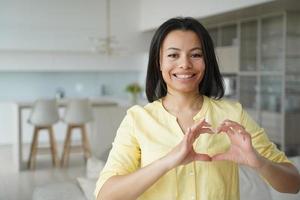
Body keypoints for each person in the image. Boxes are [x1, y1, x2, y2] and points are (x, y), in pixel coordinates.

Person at [94, 17, 300, 200]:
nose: (185, 64)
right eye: (173, 55)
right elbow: (106, 195)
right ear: (158, 62)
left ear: (206, 62)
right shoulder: (137, 120)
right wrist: (167, 162)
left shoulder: (233, 114)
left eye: (195, 55)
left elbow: (293, 184)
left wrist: (259, 162)